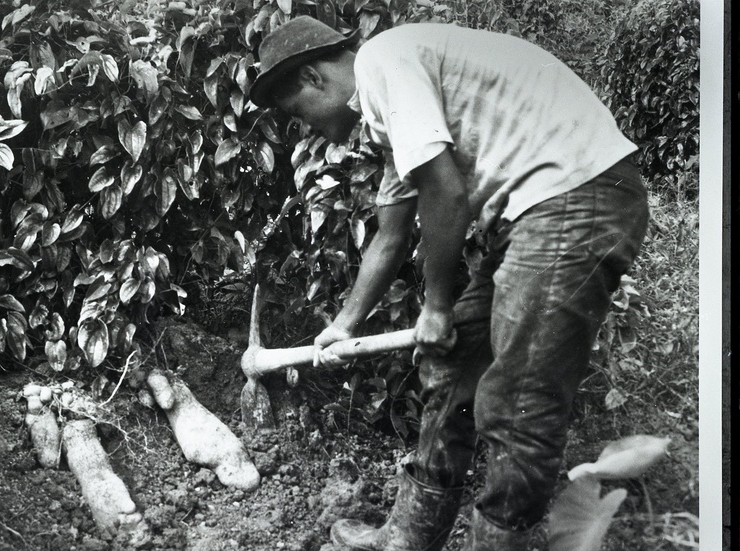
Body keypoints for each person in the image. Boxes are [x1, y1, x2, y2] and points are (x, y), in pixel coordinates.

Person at [249, 16, 649, 551]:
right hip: (535, 212)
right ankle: (409, 538)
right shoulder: (390, 110)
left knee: (516, 399)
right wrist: (342, 327)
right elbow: (390, 237)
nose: (308, 128)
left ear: (316, 78)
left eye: (298, 114)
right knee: (453, 365)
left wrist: (435, 306)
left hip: (578, 195)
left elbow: (447, 193)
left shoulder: (386, 62)